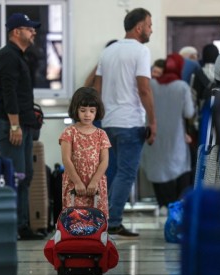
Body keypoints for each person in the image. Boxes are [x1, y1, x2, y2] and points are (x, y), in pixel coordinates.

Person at [94, 7, 157, 237]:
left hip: (109, 122)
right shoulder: (141, 51)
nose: (151, 29)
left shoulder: (108, 52)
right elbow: (144, 89)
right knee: (127, 173)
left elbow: (97, 89)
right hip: (130, 121)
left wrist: (100, 118)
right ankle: (114, 221)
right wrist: (153, 122)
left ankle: (103, 219)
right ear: (139, 27)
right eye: (149, 25)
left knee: (111, 172)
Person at [0, 12, 44, 240]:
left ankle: (21, 226)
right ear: (15, 32)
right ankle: (11, 227)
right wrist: (14, 125)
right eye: (28, 28)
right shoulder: (7, 56)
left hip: (22, 124)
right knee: (16, 176)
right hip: (10, 124)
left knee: (25, 175)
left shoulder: (20, 56)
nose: (33, 32)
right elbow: (8, 92)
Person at [142, 53, 195, 211]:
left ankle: (164, 206)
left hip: (155, 137)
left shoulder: (151, 85)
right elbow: (189, 113)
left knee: (159, 171)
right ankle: (177, 212)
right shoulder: (182, 86)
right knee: (178, 170)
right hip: (176, 138)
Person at [59, 87, 111, 216]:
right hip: (74, 184)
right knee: (74, 218)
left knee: (96, 219)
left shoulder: (101, 134)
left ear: (97, 111)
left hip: (96, 184)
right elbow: (66, 159)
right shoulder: (69, 132)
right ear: (76, 110)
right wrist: (77, 182)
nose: (87, 114)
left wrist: (94, 181)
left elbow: (104, 161)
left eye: (92, 111)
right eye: (83, 110)